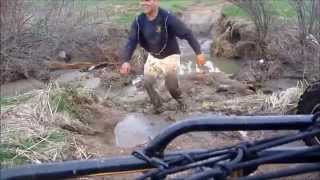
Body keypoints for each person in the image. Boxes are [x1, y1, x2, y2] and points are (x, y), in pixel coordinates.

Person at [120, 0, 205, 114]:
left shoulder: (167, 18)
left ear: (156, 2)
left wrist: (198, 53)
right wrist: (126, 61)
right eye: (142, 0)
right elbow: (131, 41)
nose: (144, 3)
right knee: (147, 82)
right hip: (153, 56)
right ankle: (158, 106)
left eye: (148, 0)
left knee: (171, 87)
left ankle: (181, 100)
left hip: (171, 56)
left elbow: (187, 33)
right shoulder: (139, 21)